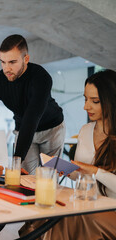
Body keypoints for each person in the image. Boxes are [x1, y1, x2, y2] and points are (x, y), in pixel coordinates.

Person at [19, 70, 116, 239]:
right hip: (87, 203)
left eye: (95, 101)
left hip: (109, 210)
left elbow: (90, 172)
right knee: (49, 211)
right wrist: (63, 168)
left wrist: (95, 171)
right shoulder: (86, 131)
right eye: (85, 99)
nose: (86, 107)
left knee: (67, 217)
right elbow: (79, 174)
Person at [0, 34, 65, 174]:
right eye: (3, 62)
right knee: (25, 176)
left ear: (26, 59)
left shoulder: (41, 77)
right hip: (23, 129)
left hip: (51, 128)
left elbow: (31, 118)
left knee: (49, 176)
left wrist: (16, 160)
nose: (6, 68)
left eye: (12, 62)